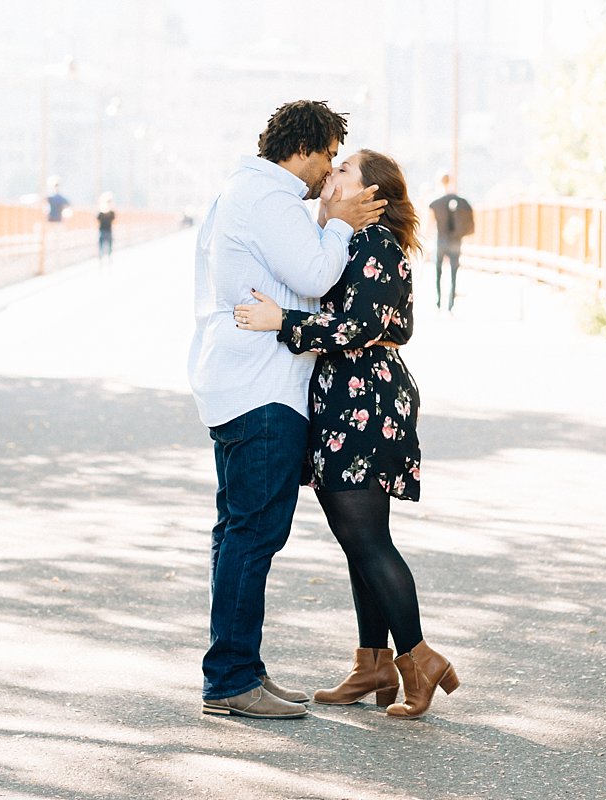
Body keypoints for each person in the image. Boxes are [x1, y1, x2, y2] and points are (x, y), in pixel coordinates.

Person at [234, 150, 460, 720]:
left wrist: (282, 322)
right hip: (353, 397)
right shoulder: (354, 242)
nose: (328, 176)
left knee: (366, 540)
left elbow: (361, 324)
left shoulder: (372, 242)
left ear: (370, 195)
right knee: (360, 539)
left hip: (362, 401)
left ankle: (417, 656)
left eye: (342, 172)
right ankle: (373, 664)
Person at [189, 100, 387, 720]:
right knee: (254, 534)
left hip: (238, 382)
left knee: (236, 532)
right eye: (329, 156)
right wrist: (338, 223)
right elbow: (317, 274)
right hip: (263, 389)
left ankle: (240, 668)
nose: (330, 172)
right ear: (303, 149)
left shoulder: (242, 191)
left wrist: (323, 214)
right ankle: (230, 680)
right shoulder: (271, 199)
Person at [427, 173, 474, 312]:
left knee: (438, 271)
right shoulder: (461, 202)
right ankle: (451, 305)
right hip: (455, 241)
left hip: (441, 240)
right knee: (454, 272)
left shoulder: (435, 203)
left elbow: (429, 226)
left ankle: (438, 302)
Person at [96, 193, 116, 262]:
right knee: (101, 243)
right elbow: (98, 218)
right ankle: (101, 255)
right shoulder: (101, 212)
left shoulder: (111, 212)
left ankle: (109, 256)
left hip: (108, 230)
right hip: (102, 230)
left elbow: (113, 217)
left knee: (109, 244)